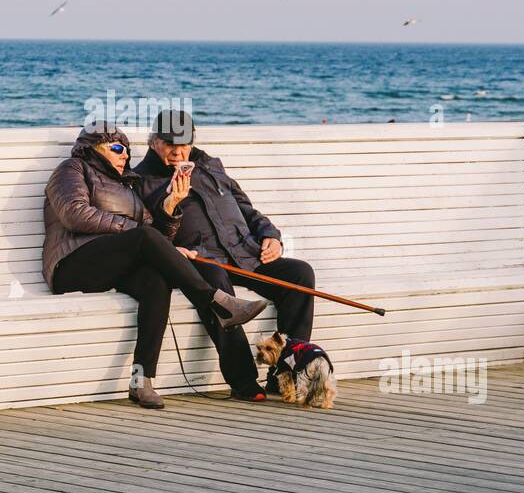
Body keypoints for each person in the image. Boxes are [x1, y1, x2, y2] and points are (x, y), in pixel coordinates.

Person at [43, 123, 268, 409]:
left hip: (115, 263)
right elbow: (75, 214)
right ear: (93, 149)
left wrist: (173, 205)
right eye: (115, 148)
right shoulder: (73, 169)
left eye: (126, 149)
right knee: (145, 238)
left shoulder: (126, 184)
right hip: (73, 262)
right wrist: (138, 231)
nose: (124, 154)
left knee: (166, 278)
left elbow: (155, 233)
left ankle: (143, 379)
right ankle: (216, 301)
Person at [135, 110, 318, 398]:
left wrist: (270, 234)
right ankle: (242, 380)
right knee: (217, 285)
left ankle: (284, 373)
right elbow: (150, 233)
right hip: (202, 259)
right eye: (169, 144)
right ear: (153, 142)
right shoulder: (142, 181)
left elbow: (246, 207)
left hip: (245, 252)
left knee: (300, 274)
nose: (177, 152)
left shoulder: (209, 165)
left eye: (183, 144)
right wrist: (171, 204)